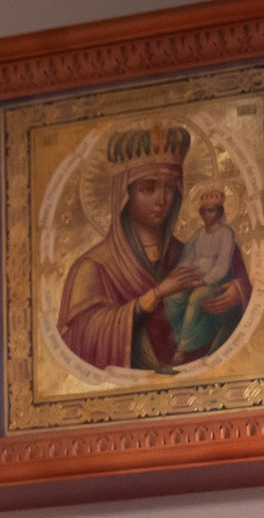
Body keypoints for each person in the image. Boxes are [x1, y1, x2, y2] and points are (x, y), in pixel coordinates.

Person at [55, 125, 208, 374]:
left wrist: (234, 293)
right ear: (123, 195)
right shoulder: (94, 266)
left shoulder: (187, 254)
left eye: (169, 188)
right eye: (148, 189)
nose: (161, 199)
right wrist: (156, 294)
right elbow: (78, 338)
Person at [163, 187, 251, 360]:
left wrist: (203, 280)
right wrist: (181, 272)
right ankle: (180, 334)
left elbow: (222, 265)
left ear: (219, 212)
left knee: (196, 298)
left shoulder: (226, 233)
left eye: (210, 211)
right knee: (171, 297)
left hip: (215, 280)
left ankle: (183, 348)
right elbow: (188, 257)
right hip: (194, 276)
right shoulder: (198, 234)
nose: (206, 215)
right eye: (203, 211)